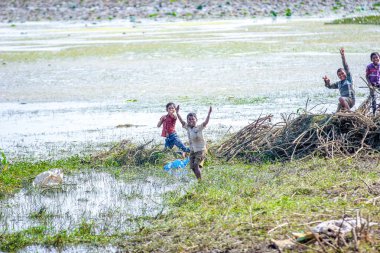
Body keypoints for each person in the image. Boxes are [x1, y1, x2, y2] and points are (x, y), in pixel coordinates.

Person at [176, 105, 212, 180]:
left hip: (201, 150)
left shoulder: (199, 127)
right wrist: (177, 113)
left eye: (193, 119)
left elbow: (205, 122)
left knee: (195, 165)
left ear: (196, 120)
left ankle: (200, 182)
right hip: (193, 150)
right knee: (192, 167)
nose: (191, 121)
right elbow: (182, 121)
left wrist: (209, 114)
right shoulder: (188, 127)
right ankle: (199, 179)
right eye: (189, 120)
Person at [323, 48, 355, 112]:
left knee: (341, 98)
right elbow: (329, 86)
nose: (341, 75)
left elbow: (346, 66)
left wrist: (343, 56)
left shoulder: (349, 79)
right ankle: (337, 115)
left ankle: (350, 112)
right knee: (339, 106)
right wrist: (326, 82)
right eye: (339, 75)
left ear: (345, 73)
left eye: (342, 73)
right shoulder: (339, 83)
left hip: (351, 100)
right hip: (344, 101)